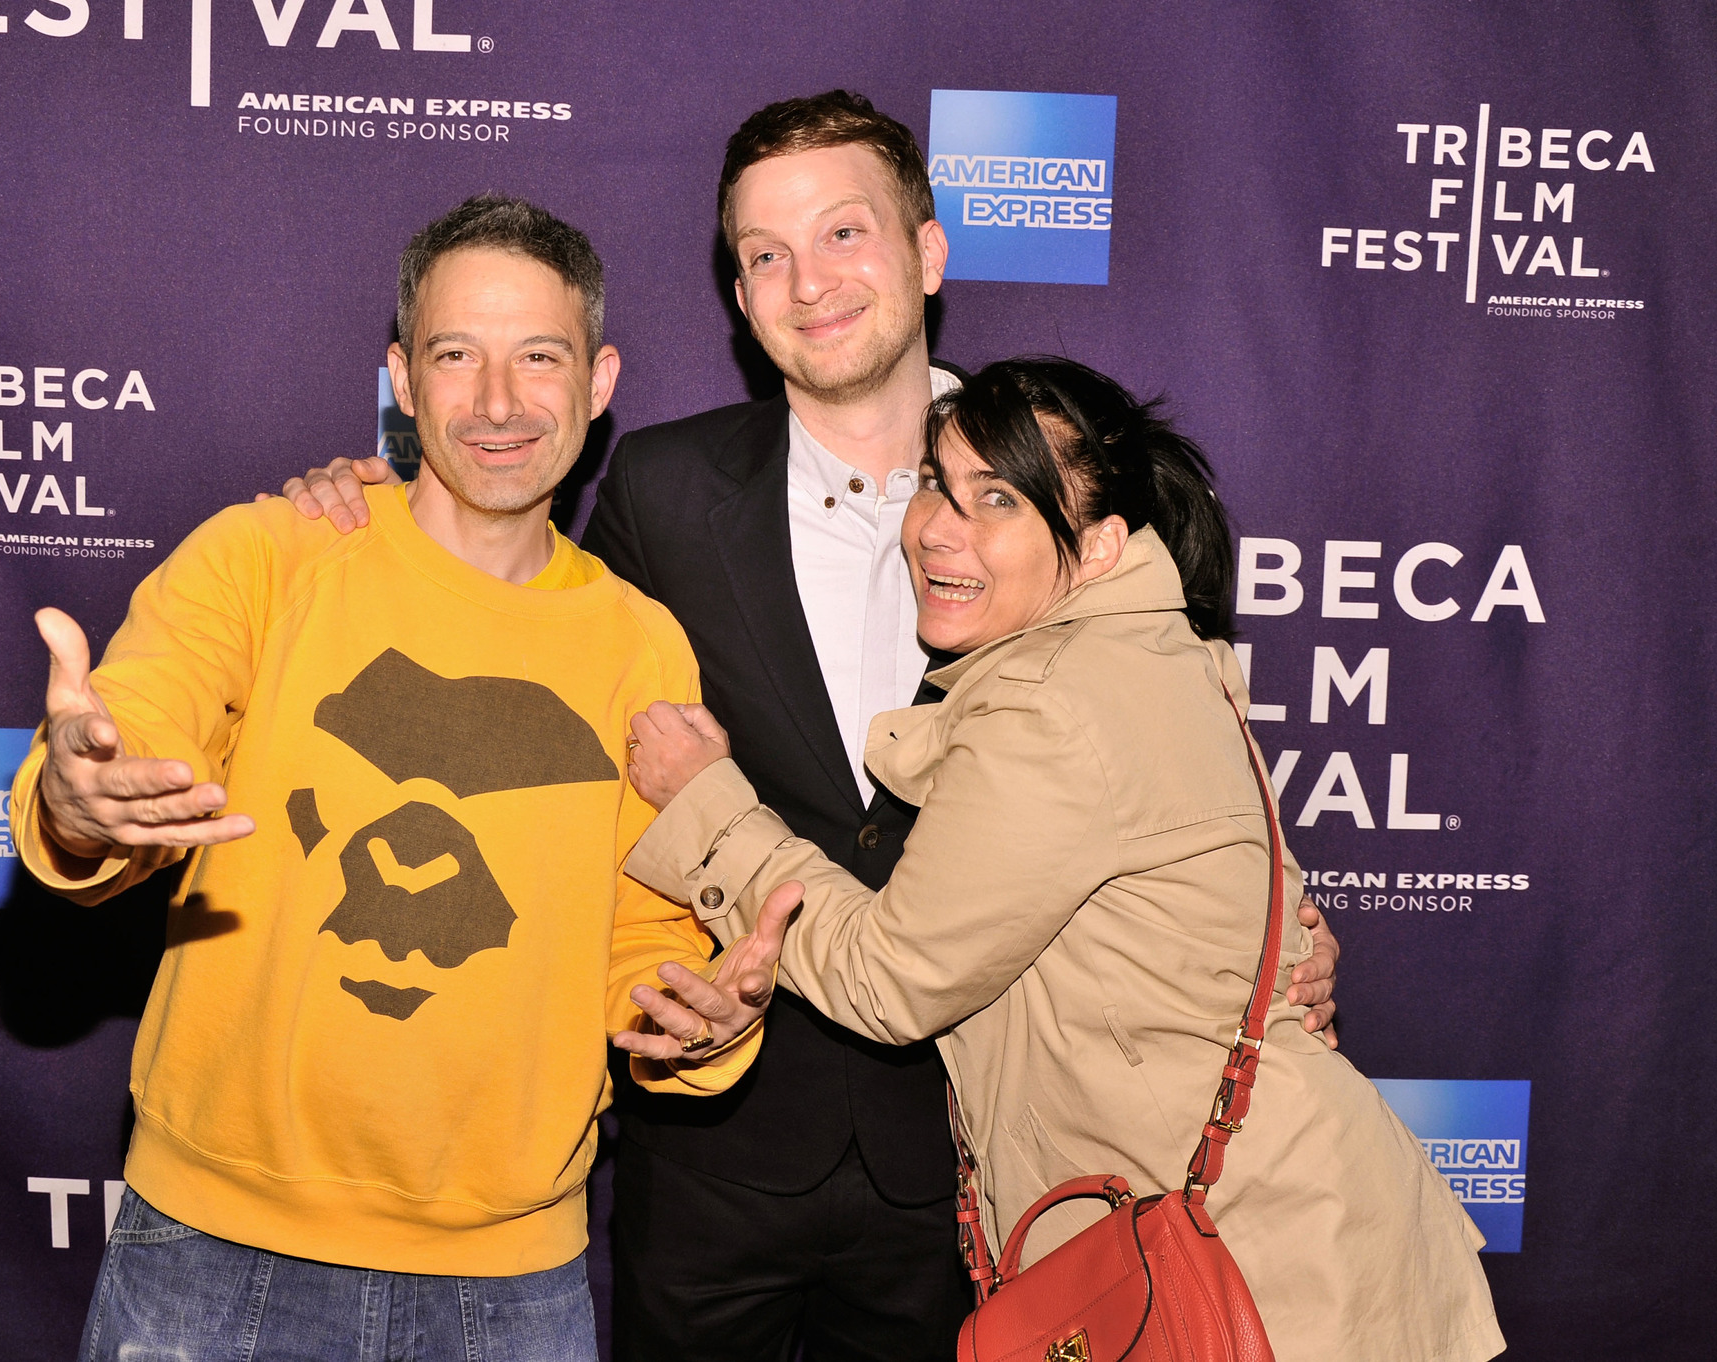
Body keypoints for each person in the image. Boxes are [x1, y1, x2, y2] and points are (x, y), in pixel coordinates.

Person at [277, 91, 1342, 1361]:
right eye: (764, 255)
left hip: (983, 1153)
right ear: (736, 292)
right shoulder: (664, 490)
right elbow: (520, 640)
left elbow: (1168, 724)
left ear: (927, 254)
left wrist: (1280, 911)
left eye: (843, 234)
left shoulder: (1057, 484)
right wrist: (369, 503)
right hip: (715, 1145)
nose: (807, 282)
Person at [10, 195, 793, 1362]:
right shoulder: (268, 557)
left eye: (538, 356)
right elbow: (140, 733)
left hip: (510, 1286)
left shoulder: (642, 646)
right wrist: (80, 803)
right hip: (216, 1259)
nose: (496, 402)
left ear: (598, 378)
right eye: (454, 355)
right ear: (401, 378)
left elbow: (637, 933)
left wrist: (701, 1016)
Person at [618, 357, 1507, 1361]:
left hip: (1250, 1268)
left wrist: (707, 807)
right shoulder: (1158, 654)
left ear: (1095, 545)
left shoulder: (1051, 701)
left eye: (995, 499)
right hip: (1279, 1232)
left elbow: (888, 980)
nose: (938, 530)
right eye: (935, 488)